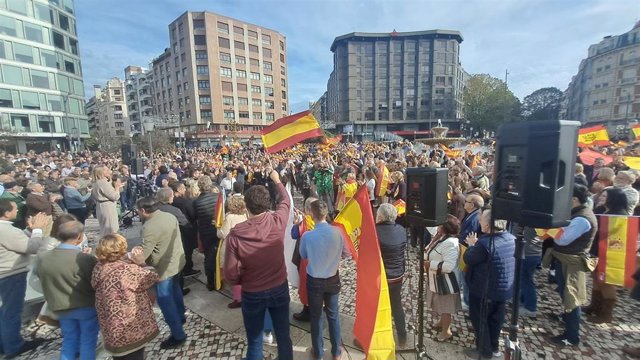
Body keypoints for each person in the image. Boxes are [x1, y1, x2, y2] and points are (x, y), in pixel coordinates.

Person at [223, 168, 293, 360]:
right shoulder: (278, 220)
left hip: (252, 291)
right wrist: (277, 181)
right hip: (279, 287)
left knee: (254, 339)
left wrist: (243, 280)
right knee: (283, 335)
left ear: (247, 206)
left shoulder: (236, 234)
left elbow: (230, 274)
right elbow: (286, 200)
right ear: (267, 204)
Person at [543, 184, 597, 347]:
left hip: (571, 262)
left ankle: (571, 335)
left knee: (571, 297)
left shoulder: (581, 218)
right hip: (564, 259)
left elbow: (562, 239)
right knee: (564, 291)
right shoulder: (578, 213)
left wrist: (551, 230)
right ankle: (566, 317)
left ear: (574, 199)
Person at [36, 220, 99, 360]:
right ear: (79, 237)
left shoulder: (44, 258)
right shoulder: (84, 258)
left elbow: (39, 276)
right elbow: (94, 281)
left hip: (60, 306)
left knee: (69, 340)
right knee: (87, 341)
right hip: (85, 305)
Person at [92, 234, 160, 360]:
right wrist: (141, 263)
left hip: (111, 329)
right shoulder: (128, 271)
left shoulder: (99, 267)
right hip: (129, 329)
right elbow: (153, 276)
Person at [131, 196, 187, 349]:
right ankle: (181, 316)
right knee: (176, 290)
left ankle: (178, 334)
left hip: (162, 269)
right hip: (176, 262)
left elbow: (144, 254)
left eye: (137, 210)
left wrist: (133, 256)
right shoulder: (169, 215)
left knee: (165, 301)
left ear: (143, 210)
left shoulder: (149, 227)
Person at [300, 200, 349, 360]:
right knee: (333, 316)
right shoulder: (338, 232)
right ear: (326, 213)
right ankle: (336, 352)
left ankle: (319, 352)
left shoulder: (307, 236)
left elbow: (303, 255)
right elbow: (346, 254)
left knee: (316, 317)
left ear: (312, 215)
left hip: (314, 281)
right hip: (333, 279)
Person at [464, 210, 515, 359]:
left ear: (487, 224)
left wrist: (472, 245)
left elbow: (468, 258)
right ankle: (494, 347)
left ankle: (484, 352)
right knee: (496, 320)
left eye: (481, 220)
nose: (479, 222)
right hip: (503, 289)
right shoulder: (512, 238)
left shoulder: (484, 243)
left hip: (483, 291)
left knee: (480, 321)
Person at [0, 200, 48, 358]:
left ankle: (4, 342)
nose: (17, 211)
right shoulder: (5, 229)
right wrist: (38, 230)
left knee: (5, 311)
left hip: (5, 274)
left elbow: (18, 242)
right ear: (7, 213)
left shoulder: (8, 230)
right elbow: (32, 247)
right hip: (10, 274)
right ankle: (13, 345)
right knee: (12, 312)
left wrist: (30, 230)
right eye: (14, 209)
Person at [585, 187, 629, 324]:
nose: (601, 197)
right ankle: (594, 306)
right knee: (596, 279)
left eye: (605, 195)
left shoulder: (620, 215)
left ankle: (606, 314)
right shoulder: (601, 210)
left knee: (607, 283)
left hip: (609, 254)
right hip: (595, 250)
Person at [425, 214, 461, 342]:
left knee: (446, 307)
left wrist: (430, 264)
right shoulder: (441, 237)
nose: (437, 226)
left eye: (440, 224)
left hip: (446, 282)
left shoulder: (450, 243)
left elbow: (448, 267)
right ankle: (442, 323)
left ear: (445, 228)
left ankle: (446, 331)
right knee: (440, 303)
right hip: (437, 279)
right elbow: (430, 227)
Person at [375, 203, 407, 346]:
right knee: (396, 305)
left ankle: (380, 338)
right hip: (398, 275)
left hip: (382, 276)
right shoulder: (401, 229)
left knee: (378, 307)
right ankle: (402, 335)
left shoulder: (375, 232)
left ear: (380, 217)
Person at [216, 195, 248, 308]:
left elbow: (223, 234)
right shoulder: (245, 215)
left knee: (234, 274)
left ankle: (238, 299)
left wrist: (217, 228)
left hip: (231, 247)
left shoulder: (229, 217)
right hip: (243, 246)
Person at [193, 175, 220, 290]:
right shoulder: (218, 197)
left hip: (205, 232)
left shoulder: (196, 202)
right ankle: (219, 279)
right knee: (219, 255)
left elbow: (195, 217)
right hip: (218, 230)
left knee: (208, 256)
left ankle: (210, 282)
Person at [169, 181, 200, 277]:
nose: (185, 189)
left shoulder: (170, 201)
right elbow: (193, 215)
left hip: (174, 229)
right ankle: (187, 269)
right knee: (187, 250)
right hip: (186, 228)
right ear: (178, 190)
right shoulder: (185, 202)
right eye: (183, 188)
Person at [92, 165, 123, 237]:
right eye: (106, 170)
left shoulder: (98, 182)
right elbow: (115, 196)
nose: (109, 171)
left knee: (106, 228)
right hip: (107, 207)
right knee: (111, 229)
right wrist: (117, 187)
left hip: (102, 206)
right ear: (101, 172)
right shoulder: (103, 183)